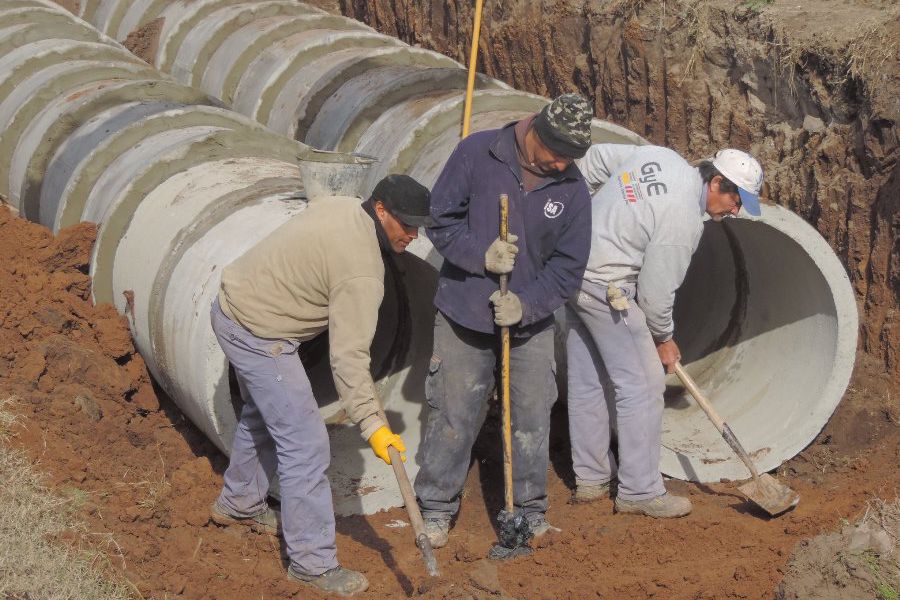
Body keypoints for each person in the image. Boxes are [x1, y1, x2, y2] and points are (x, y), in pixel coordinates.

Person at [208, 174, 431, 595]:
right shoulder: (363, 272)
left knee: (268, 411)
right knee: (306, 443)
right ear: (380, 210)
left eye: (420, 226)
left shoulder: (345, 206)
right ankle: (312, 563)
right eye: (407, 225)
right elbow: (349, 358)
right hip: (260, 334)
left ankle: (239, 503)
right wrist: (374, 425)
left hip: (233, 308)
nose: (414, 235)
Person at [414, 93, 594, 548]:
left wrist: (526, 305)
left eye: (570, 160)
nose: (561, 166)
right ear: (535, 133)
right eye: (556, 156)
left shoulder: (572, 190)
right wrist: (482, 256)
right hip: (464, 313)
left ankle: (529, 512)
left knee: (532, 417)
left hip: (528, 325)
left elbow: (567, 270)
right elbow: (439, 219)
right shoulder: (478, 153)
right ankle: (435, 508)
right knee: (454, 411)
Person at [567, 145, 764, 517]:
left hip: (573, 269)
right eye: (736, 200)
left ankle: (591, 478)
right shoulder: (683, 220)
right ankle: (640, 490)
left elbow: (593, 160)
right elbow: (656, 294)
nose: (735, 211)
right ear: (717, 181)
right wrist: (664, 339)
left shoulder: (659, 157)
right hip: (608, 286)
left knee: (589, 378)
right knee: (643, 385)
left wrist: (579, 215)